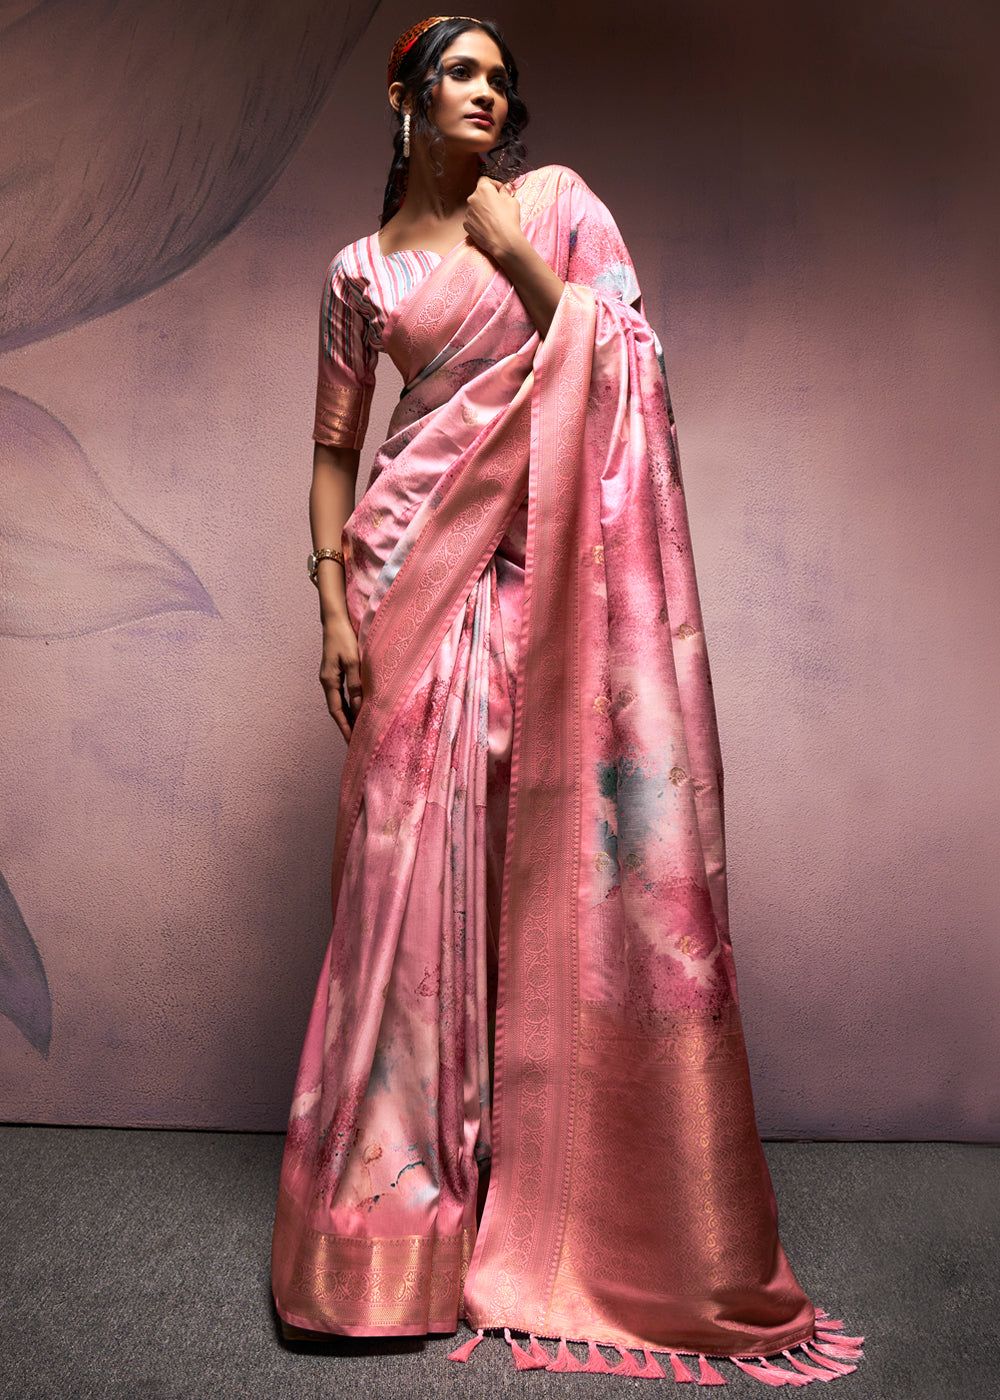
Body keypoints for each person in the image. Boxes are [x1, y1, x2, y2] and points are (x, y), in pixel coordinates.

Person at [270, 14, 866, 1387]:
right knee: (406, 882)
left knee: (536, 869)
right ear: (405, 96)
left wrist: (514, 253)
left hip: (539, 582)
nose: (487, 92)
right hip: (407, 579)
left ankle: (541, 1192)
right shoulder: (357, 272)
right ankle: (394, 1211)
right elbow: (334, 451)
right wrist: (331, 605)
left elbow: (630, 363)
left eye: (499, 77)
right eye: (461, 73)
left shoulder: (553, 208)